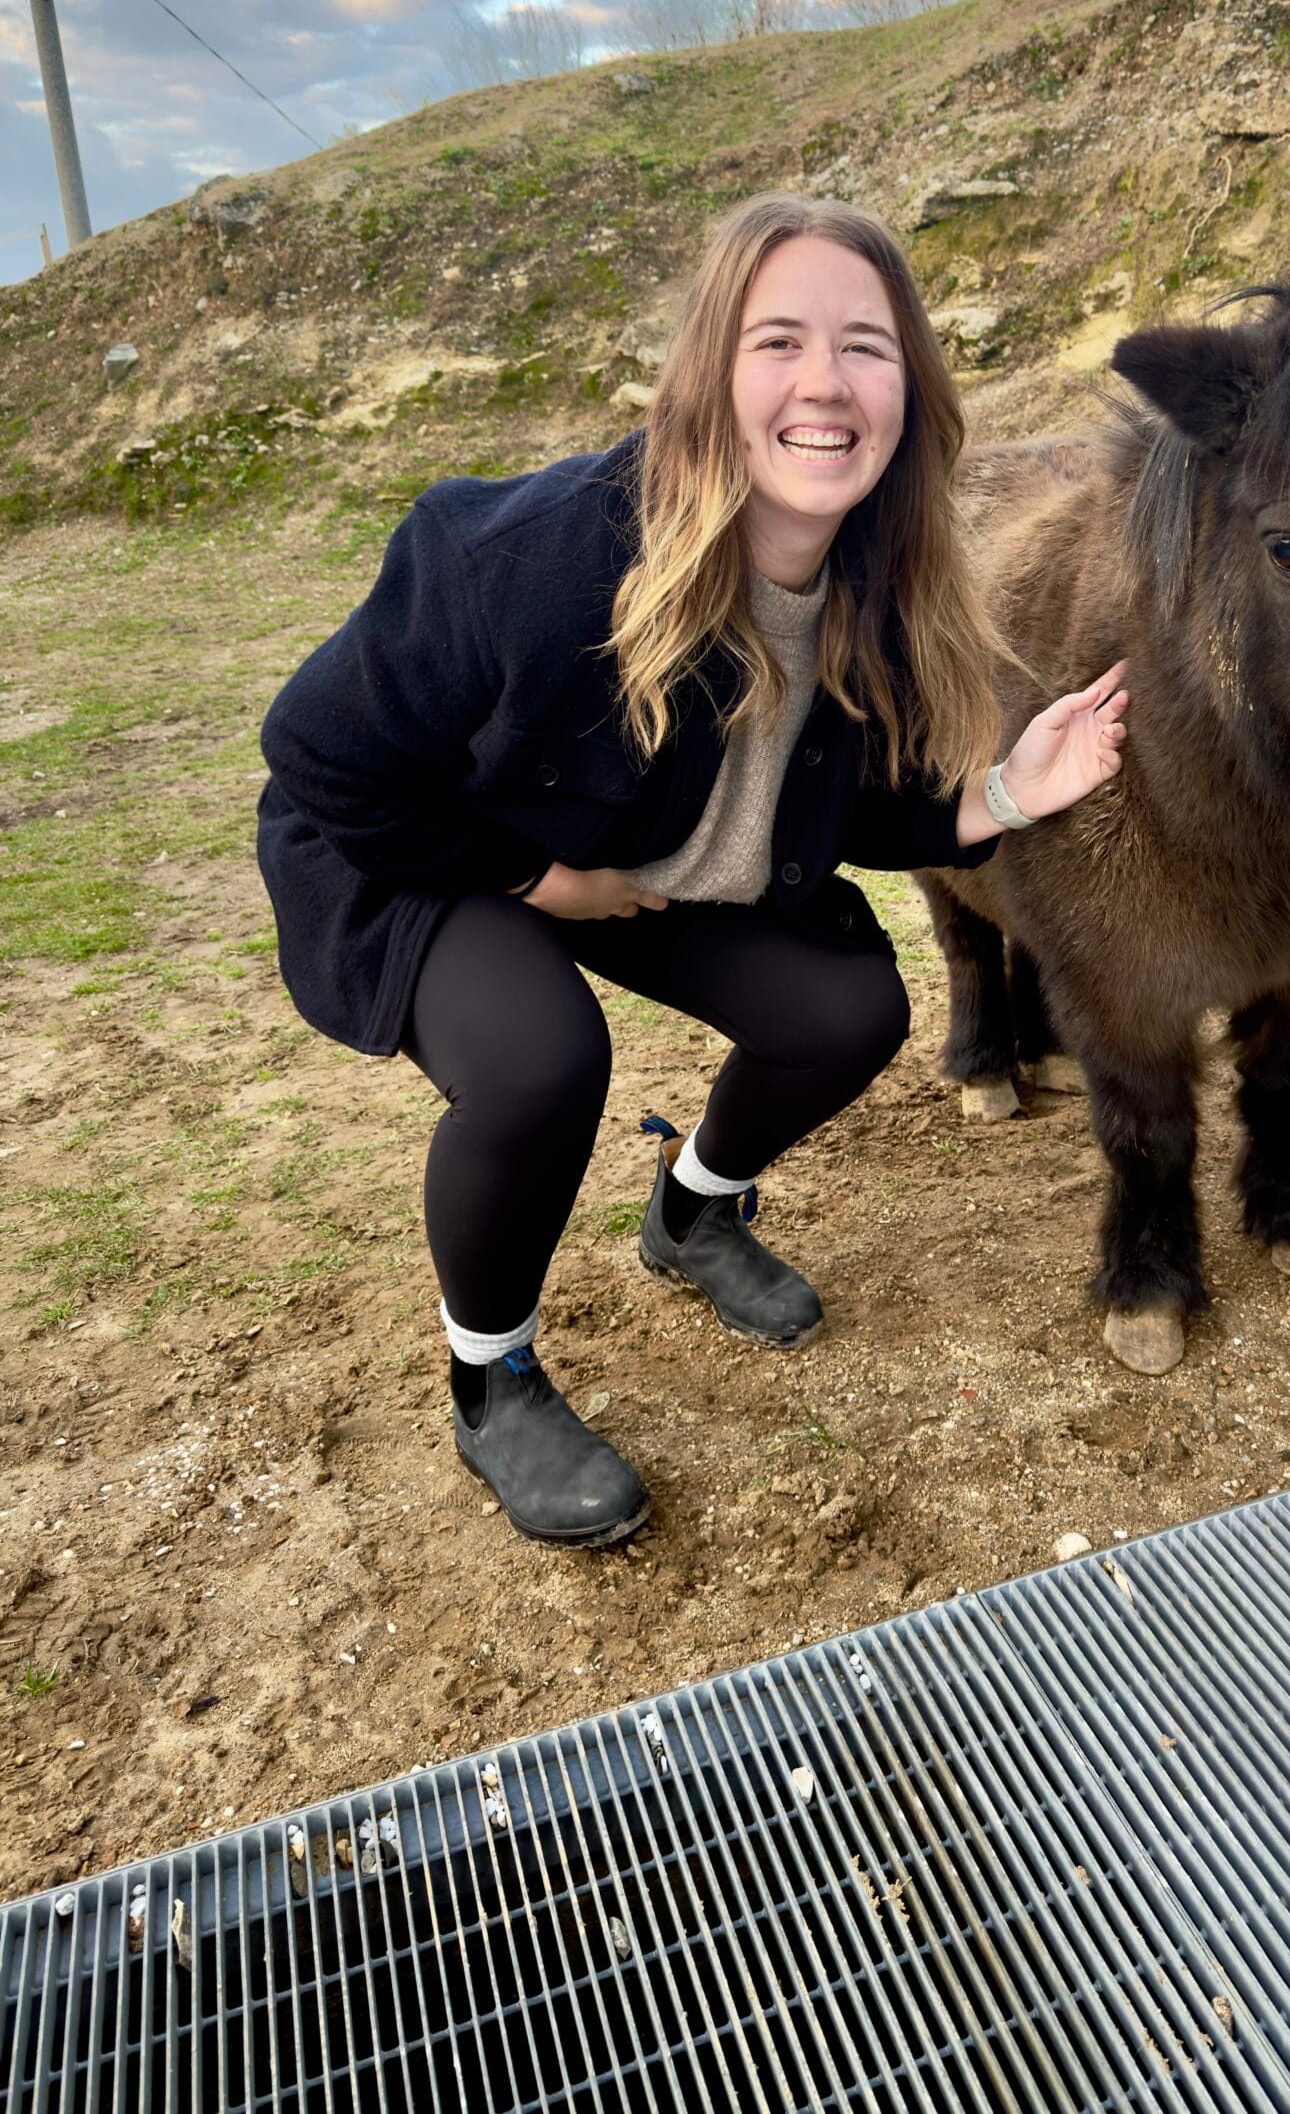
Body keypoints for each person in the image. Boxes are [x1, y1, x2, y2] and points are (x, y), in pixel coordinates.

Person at [257, 193, 1127, 1549]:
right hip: (428, 844)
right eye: (779, 340)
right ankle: (492, 1379)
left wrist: (1017, 785)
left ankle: (693, 1213)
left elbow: (858, 804)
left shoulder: (876, 583)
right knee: (542, 1061)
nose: (826, 383)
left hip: (628, 858)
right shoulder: (534, 558)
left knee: (849, 1010)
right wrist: (537, 883)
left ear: (911, 391)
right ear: (708, 370)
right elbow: (320, 755)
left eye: (868, 347)